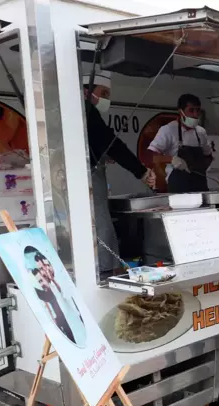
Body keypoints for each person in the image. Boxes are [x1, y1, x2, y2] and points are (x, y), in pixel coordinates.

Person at [83, 70, 156, 274]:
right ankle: (106, 273)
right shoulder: (86, 109)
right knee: (101, 226)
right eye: (103, 93)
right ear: (86, 91)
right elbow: (112, 143)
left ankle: (106, 269)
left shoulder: (78, 112)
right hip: (86, 181)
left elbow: (97, 143)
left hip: (80, 178)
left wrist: (100, 155)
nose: (106, 99)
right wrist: (140, 171)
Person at [146, 94, 210, 193]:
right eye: (191, 110)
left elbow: (208, 156)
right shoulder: (168, 130)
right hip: (178, 185)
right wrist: (172, 159)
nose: (195, 114)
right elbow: (150, 156)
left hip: (200, 184)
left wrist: (200, 168)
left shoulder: (201, 132)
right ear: (181, 111)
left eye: (198, 110)